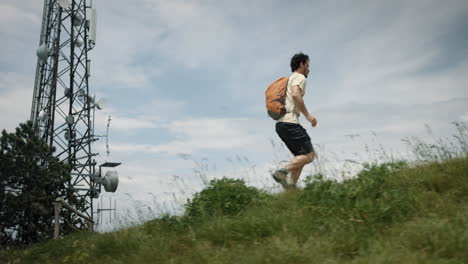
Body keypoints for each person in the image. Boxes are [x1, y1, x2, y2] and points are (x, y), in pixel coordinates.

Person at [271, 52, 317, 189]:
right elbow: (297, 95)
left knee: (300, 157)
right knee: (309, 155)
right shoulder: (299, 77)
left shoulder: (288, 80)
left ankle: (291, 188)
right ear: (301, 64)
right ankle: (282, 172)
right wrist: (308, 116)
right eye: (307, 65)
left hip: (281, 124)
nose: (309, 69)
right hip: (290, 122)